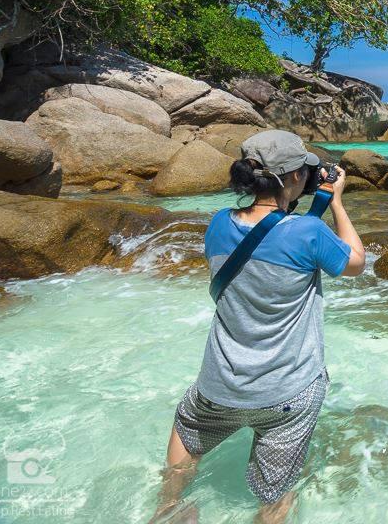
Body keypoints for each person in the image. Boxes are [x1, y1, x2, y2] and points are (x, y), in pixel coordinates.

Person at [153, 130, 366, 523]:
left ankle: (169, 507)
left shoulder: (218, 224)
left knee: (187, 434)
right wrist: (335, 202)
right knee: (275, 497)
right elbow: (354, 262)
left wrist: (305, 202)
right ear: (293, 178)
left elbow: (271, 238)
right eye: (305, 169)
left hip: (219, 386)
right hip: (288, 392)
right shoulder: (309, 231)